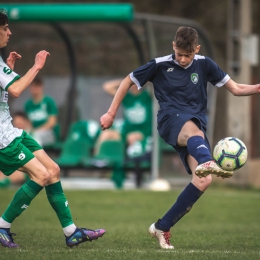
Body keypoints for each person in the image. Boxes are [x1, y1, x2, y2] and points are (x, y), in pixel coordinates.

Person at [100, 26, 260, 249]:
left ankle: (161, 227)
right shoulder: (160, 64)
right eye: (180, 54)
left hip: (194, 126)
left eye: (189, 55)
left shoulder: (205, 64)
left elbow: (236, 88)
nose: (184, 59)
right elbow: (128, 80)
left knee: (203, 180)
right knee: (195, 133)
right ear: (173, 46)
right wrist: (110, 112)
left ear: (197, 49)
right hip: (170, 119)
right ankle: (207, 160)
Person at [0, 10, 105, 248]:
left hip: (11, 131)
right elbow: (17, 90)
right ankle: (2, 225)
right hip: (2, 139)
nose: (10, 32)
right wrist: (36, 67)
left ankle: (71, 232)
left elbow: (5, 96)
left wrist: (8, 68)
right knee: (41, 175)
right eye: (5, 28)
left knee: (53, 170)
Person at [96, 79, 153, 188]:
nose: (135, 87)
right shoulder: (127, 97)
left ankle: (132, 172)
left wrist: (145, 79)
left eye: (137, 84)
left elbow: (157, 86)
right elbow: (107, 86)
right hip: (126, 132)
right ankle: (99, 161)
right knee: (105, 134)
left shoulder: (147, 96)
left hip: (143, 133)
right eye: (132, 84)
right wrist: (126, 80)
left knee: (133, 139)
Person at [24, 77, 58, 147]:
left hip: (49, 134)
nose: (35, 89)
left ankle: (36, 157)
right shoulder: (28, 104)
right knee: (24, 136)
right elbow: (28, 123)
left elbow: (52, 122)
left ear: (41, 87)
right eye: (33, 86)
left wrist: (37, 131)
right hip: (33, 132)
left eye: (37, 86)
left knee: (36, 137)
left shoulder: (48, 101)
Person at [0, 112, 31, 189]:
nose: (18, 125)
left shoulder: (31, 136)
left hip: (26, 166)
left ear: (25, 122)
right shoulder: (10, 137)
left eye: (20, 123)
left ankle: (3, 183)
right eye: (16, 123)